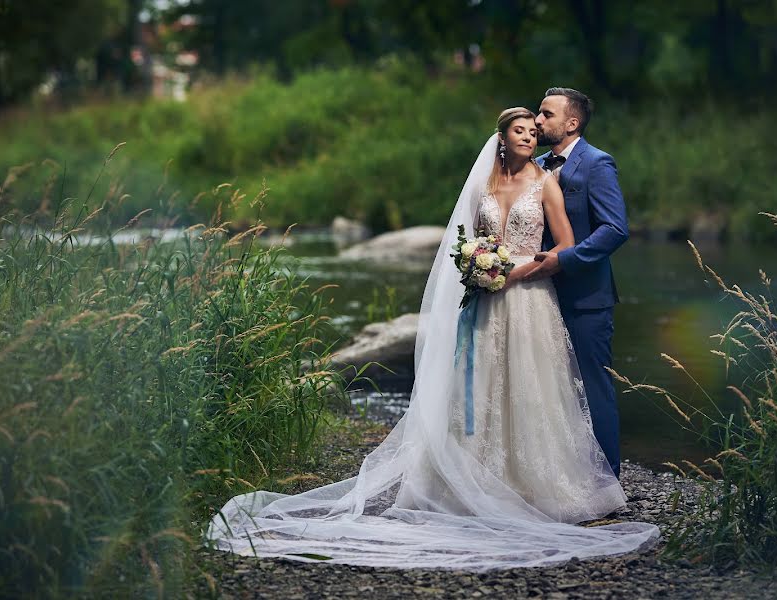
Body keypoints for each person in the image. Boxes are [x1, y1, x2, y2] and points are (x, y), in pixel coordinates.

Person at [206, 107, 658, 570]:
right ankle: (475, 481)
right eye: (520, 129)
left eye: (535, 125)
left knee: (535, 384)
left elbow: (565, 243)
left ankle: (541, 483)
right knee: (482, 385)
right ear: (502, 140)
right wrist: (476, 267)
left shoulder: (548, 180)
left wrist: (515, 272)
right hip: (487, 298)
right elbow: (463, 244)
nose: (530, 133)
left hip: (528, 296)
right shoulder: (482, 185)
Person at [525, 87, 629, 478]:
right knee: (543, 389)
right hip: (535, 297)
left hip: (586, 298)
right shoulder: (532, 166)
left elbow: (615, 229)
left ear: (572, 123)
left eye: (546, 114)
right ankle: (555, 476)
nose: (537, 121)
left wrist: (564, 260)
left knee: (593, 388)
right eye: (538, 113)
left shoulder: (597, 164)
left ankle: (606, 481)